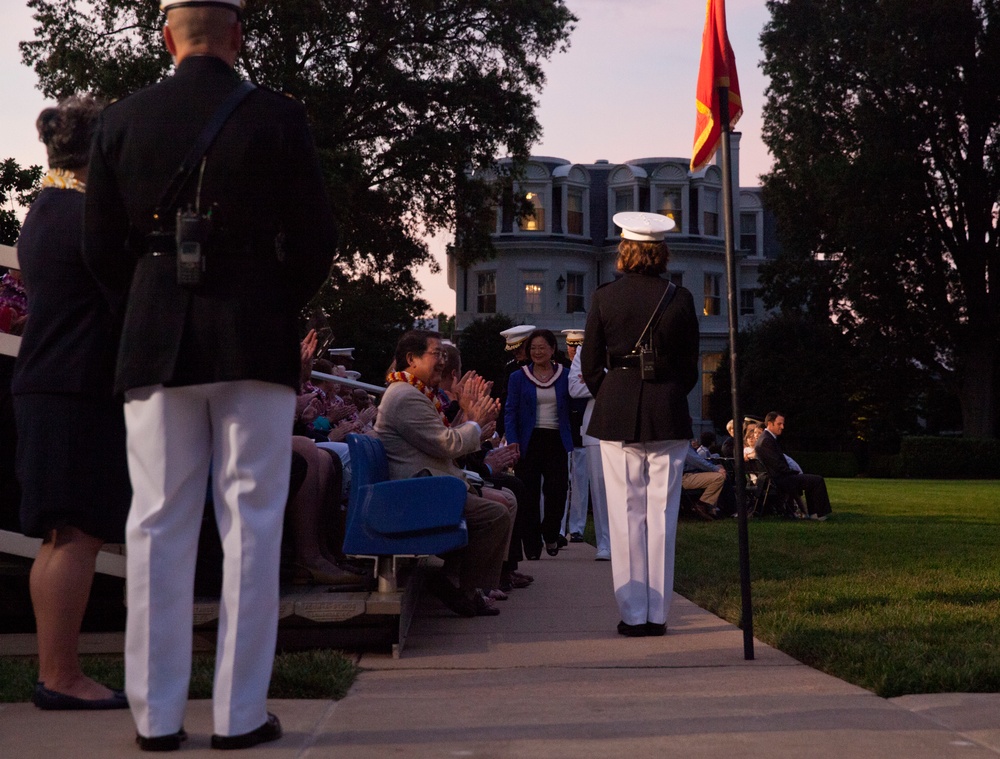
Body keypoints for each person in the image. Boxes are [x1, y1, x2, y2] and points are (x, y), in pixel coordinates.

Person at [82, 0, 337, 750]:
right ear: (237, 34)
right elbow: (318, 237)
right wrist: (270, 297)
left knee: (157, 523)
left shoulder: (122, 118)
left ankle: (156, 717)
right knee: (252, 524)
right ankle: (239, 714)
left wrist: (147, 304)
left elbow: (100, 246)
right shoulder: (280, 117)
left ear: (167, 35)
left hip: (155, 336)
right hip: (254, 336)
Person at [12, 95, 131, 711]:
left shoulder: (47, 206)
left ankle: (56, 672)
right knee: (76, 535)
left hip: (52, 385)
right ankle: (60, 677)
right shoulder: (83, 216)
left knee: (63, 536)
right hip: (73, 388)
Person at [581, 211, 700, 638]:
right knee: (663, 514)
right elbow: (690, 369)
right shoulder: (681, 298)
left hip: (618, 411)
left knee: (626, 513)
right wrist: (665, 392)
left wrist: (615, 393)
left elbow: (591, 365)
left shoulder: (603, 297)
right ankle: (658, 614)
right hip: (667, 409)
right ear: (662, 252)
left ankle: (633, 614)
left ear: (625, 251)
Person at [375, 330, 513, 617]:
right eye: (436, 354)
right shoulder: (405, 396)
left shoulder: (413, 392)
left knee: (497, 503)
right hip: (416, 492)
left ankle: (460, 583)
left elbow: (444, 442)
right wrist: (474, 422)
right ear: (411, 359)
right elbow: (447, 443)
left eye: (443, 355)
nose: (442, 361)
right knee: (495, 515)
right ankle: (466, 591)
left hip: (428, 484)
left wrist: (471, 421)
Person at [505, 329, 574, 557]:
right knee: (528, 494)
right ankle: (532, 546)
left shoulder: (566, 375)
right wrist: (513, 440)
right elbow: (510, 411)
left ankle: (551, 534)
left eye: (542, 347)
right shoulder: (518, 377)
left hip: (556, 439)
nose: (537, 352)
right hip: (529, 440)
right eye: (533, 348)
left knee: (557, 491)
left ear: (553, 349)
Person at [567, 332, 611, 560]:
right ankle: (605, 542)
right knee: (600, 487)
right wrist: (612, 379)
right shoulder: (585, 351)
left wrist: (595, 378)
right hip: (595, 428)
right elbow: (574, 388)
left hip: (626, 424)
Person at [754, 412, 832, 520]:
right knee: (817, 480)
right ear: (770, 424)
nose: (782, 427)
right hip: (779, 480)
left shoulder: (766, 439)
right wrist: (792, 472)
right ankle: (819, 514)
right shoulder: (766, 440)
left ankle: (815, 513)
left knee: (811, 480)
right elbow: (777, 465)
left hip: (776, 478)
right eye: (779, 424)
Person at [561, 328, 589, 543]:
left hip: (582, 431)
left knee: (580, 483)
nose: (574, 350)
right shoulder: (562, 370)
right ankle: (559, 528)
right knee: (562, 482)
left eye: (578, 345)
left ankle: (577, 527)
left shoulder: (587, 368)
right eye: (571, 345)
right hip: (565, 430)